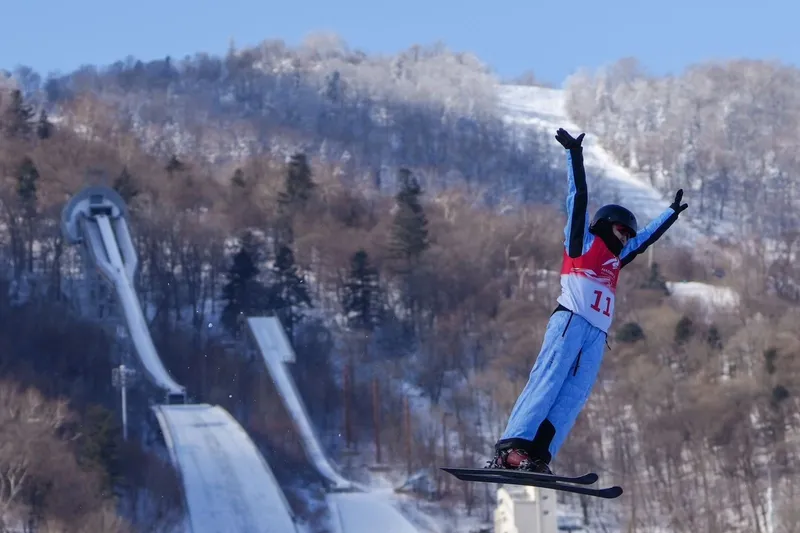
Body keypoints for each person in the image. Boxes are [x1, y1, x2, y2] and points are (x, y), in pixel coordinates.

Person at [487, 128, 689, 474]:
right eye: (621, 230)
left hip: (596, 335)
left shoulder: (616, 259)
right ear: (605, 225)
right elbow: (578, 198)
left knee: (574, 395)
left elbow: (644, 241)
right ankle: (511, 449)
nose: (625, 237)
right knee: (549, 379)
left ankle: (537, 455)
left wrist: (670, 214)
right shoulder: (582, 242)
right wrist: (574, 155)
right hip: (570, 322)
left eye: (627, 233)